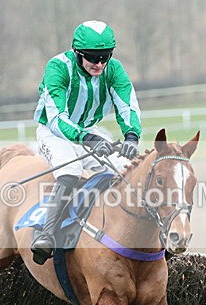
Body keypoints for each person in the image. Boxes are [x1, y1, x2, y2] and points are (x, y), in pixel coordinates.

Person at [30, 20, 142, 264]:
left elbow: (127, 104)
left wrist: (132, 135)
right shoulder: (58, 68)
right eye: (93, 57)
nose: (99, 64)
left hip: (90, 130)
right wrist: (88, 139)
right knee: (71, 170)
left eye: (105, 57)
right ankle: (47, 234)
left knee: (126, 170)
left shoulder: (114, 69)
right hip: (54, 131)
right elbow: (58, 119)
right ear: (77, 52)